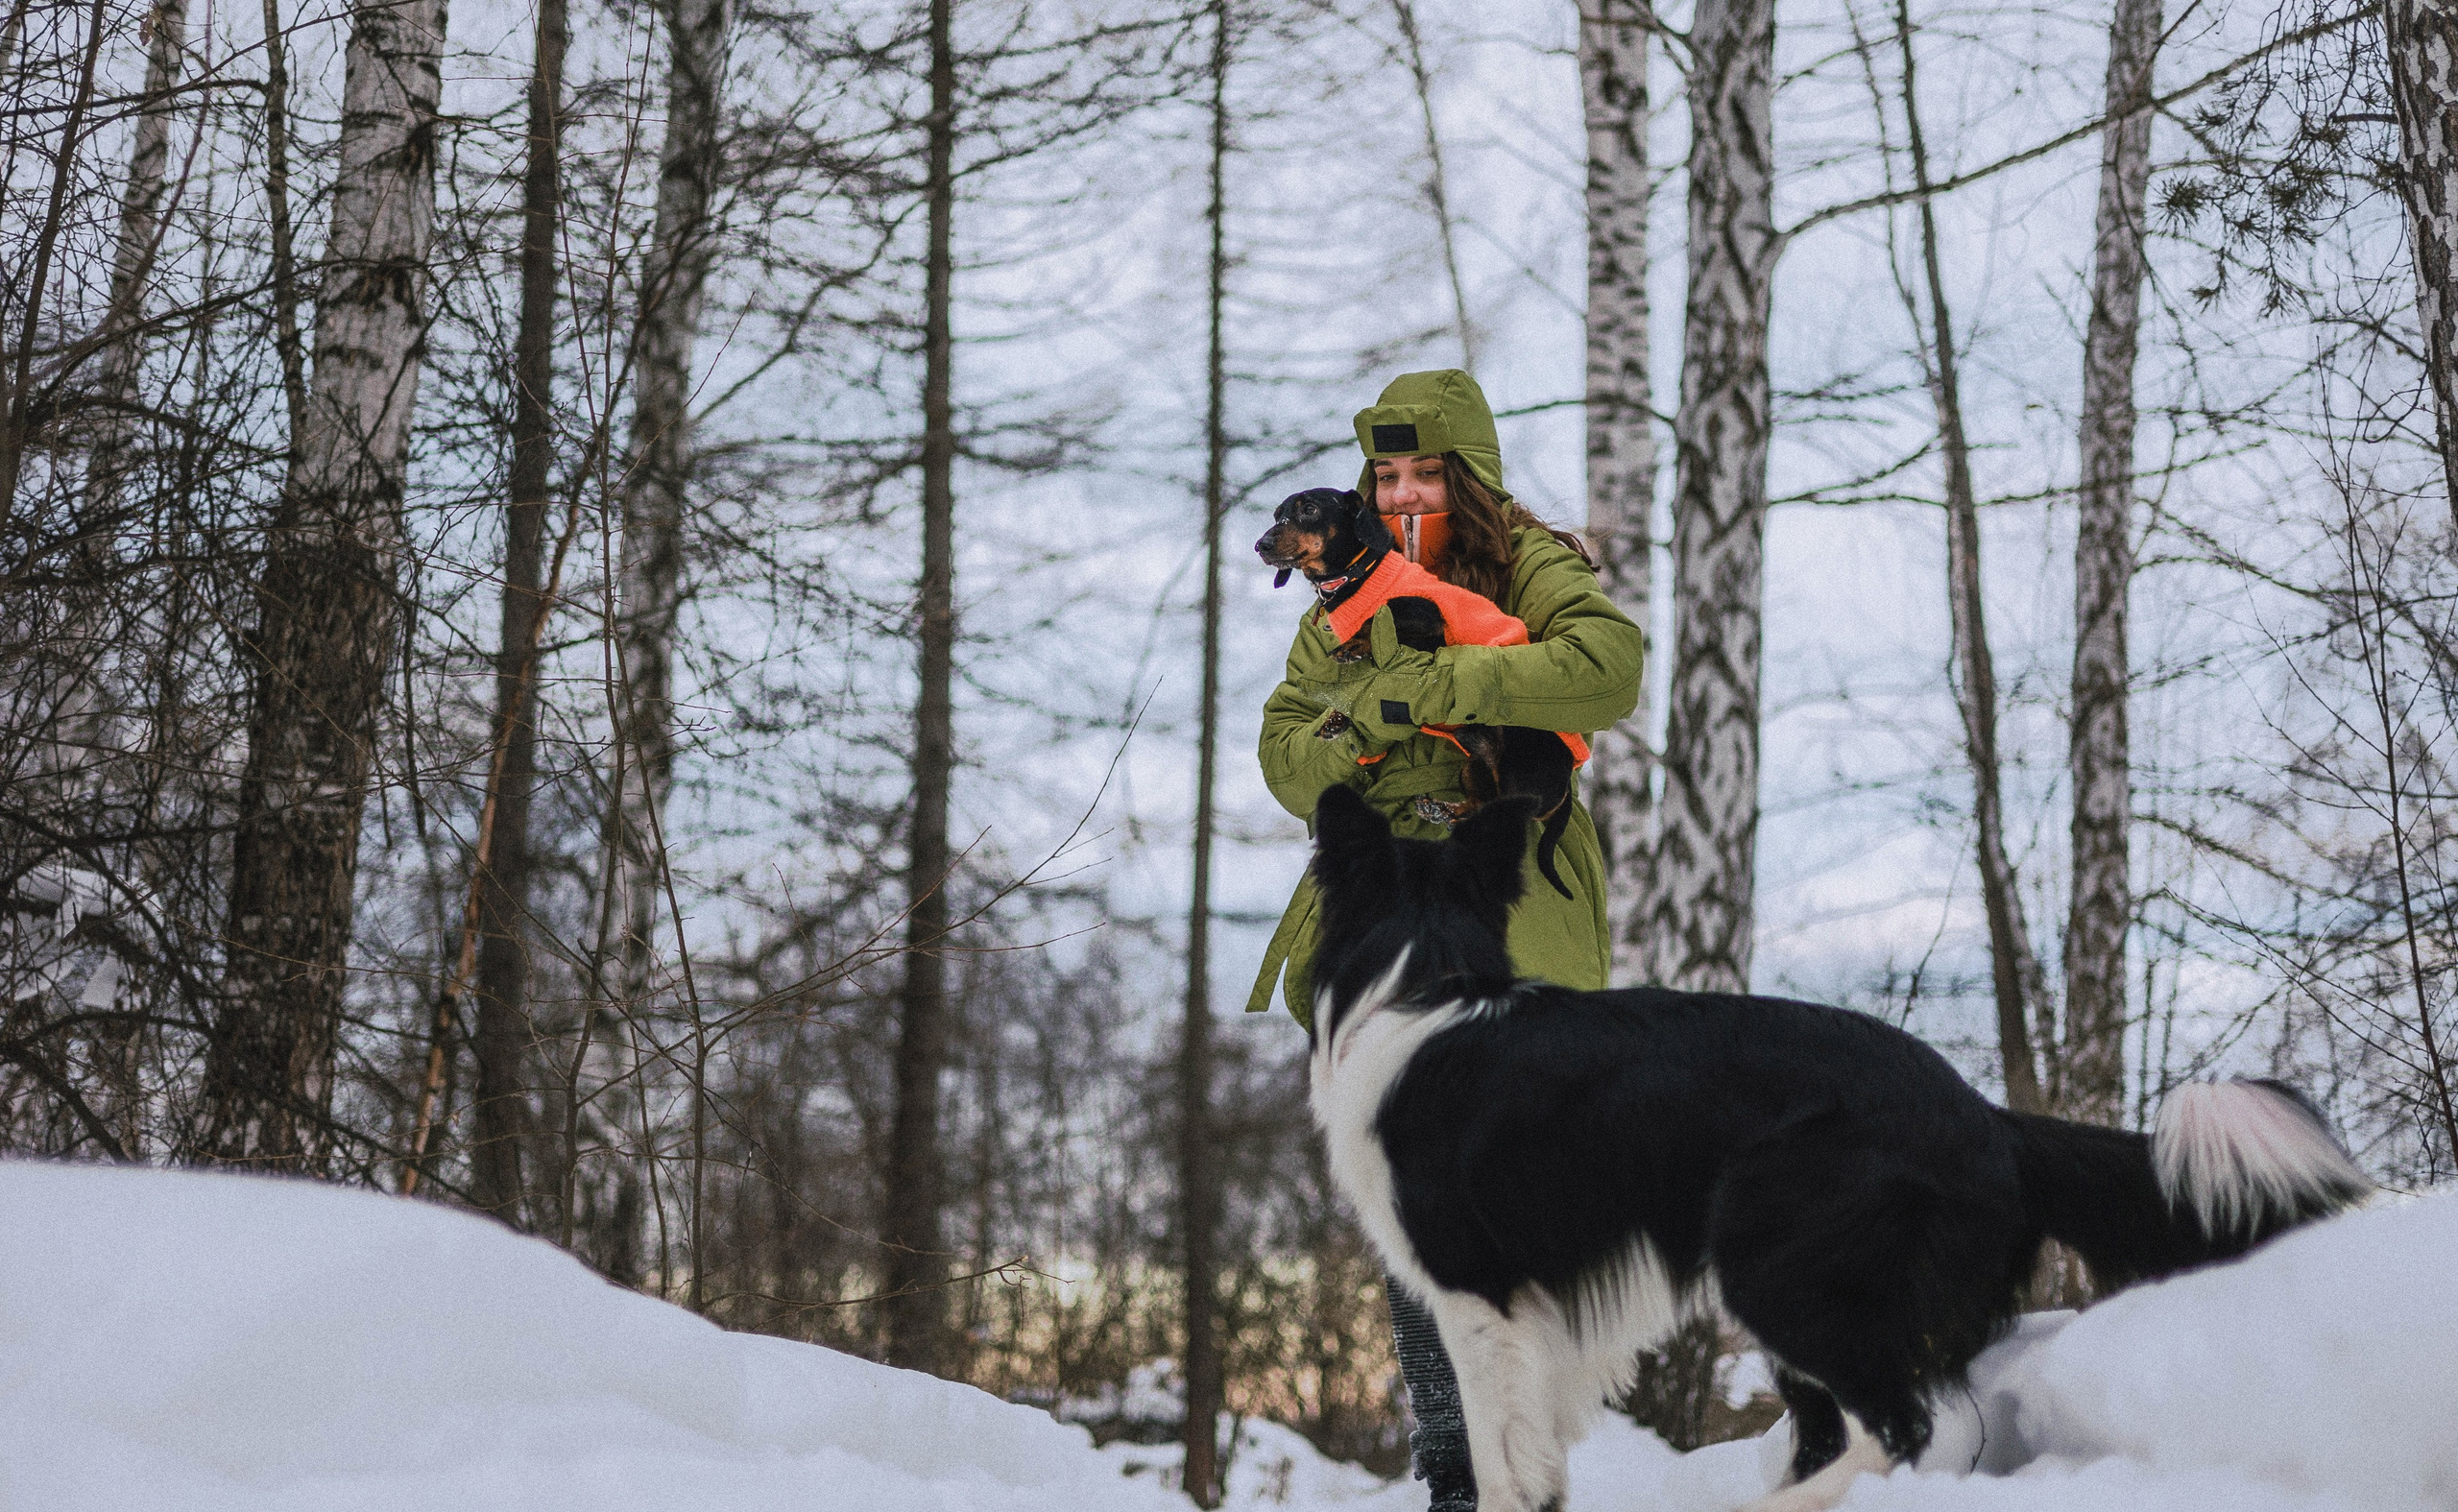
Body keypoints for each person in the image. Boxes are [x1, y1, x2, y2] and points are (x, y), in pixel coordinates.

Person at [1244, 369, 1644, 1510]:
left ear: (1467, 476)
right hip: (1378, 919)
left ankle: (1523, 1454)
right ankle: (1459, 1474)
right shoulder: (1341, 588)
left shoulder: (1529, 559)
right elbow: (1285, 752)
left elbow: (1603, 667)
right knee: (1408, 1201)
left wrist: (1433, 685)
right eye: (1387, 474)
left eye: (1426, 472)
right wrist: (1362, 730)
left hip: (1509, 901)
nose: (1406, 491)